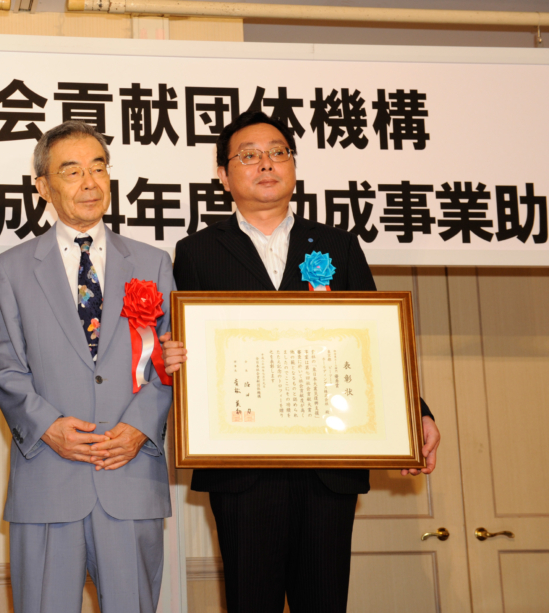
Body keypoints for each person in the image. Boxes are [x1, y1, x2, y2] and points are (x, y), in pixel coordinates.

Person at [162, 110, 441, 613]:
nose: (266, 164)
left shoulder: (337, 245)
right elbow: (185, 348)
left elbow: (377, 341)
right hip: (242, 466)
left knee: (325, 600)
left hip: (327, 464)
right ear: (223, 175)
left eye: (278, 152)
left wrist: (415, 413)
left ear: (293, 165)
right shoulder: (197, 252)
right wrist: (173, 355)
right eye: (249, 155)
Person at [0, 121, 174, 613]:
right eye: (72, 171)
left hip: (129, 471)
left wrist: (139, 428)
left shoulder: (153, 263)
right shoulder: (11, 268)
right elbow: (5, 364)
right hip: (48, 475)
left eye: (99, 168)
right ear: (43, 187)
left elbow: (169, 361)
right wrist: (47, 427)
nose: (90, 182)